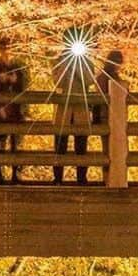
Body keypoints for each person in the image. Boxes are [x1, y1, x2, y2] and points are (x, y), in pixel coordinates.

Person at [52, 33, 95, 185]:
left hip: (81, 108)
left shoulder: (87, 61)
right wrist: (66, 64)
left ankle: (81, 178)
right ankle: (57, 178)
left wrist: (78, 65)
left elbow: (89, 80)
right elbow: (57, 82)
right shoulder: (59, 60)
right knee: (60, 144)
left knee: (81, 144)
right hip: (64, 108)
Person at [0, 36, 27, 185]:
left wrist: (24, 110)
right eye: (3, 46)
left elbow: (26, 87)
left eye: (9, 46)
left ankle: (17, 174)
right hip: (1, 109)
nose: (6, 49)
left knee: (17, 144)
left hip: (16, 109)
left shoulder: (20, 66)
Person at [93, 49, 125, 180]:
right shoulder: (107, 77)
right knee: (110, 149)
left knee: (108, 148)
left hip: (106, 114)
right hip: (107, 114)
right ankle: (109, 177)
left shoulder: (102, 76)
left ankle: (108, 177)